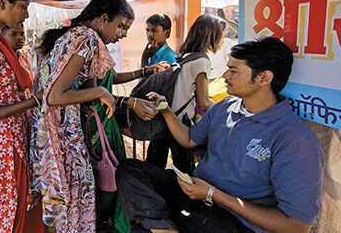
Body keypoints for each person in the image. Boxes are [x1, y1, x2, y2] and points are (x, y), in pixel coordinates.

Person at [116, 37, 324, 233]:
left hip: (234, 220)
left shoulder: (294, 139)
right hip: (196, 194)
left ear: (263, 78)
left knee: (151, 228)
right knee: (130, 170)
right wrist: (166, 110)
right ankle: (162, 228)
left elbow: (297, 226)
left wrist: (213, 194)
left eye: (233, 71)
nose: (225, 75)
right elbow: (189, 139)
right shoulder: (225, 108)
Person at [31, 0, 162, 233]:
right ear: (103, 18)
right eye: (121, 26)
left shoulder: (76, 35)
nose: (122, 34)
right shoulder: (87, 39)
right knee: (74, 198)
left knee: (65, 201)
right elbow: (55, 96)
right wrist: (102, 93)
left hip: (52, 132)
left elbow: (83, 88)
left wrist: (95, 96)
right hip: (60, 133)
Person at [0, 0, 42, 233]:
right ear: (2, 2)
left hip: (7, 147)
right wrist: (32, 103)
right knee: (3, 222)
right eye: (24, 6)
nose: (26, 15)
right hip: (0, 153)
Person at [145, 14, 225, 174]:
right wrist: (226, 108)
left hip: (163, 118)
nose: (223, 41)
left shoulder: (186, 56)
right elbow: (203, 103)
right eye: (222, 36)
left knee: (154, 168)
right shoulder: (202, 61)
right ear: (213, 36)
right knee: (184, 172)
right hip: (180, 122)